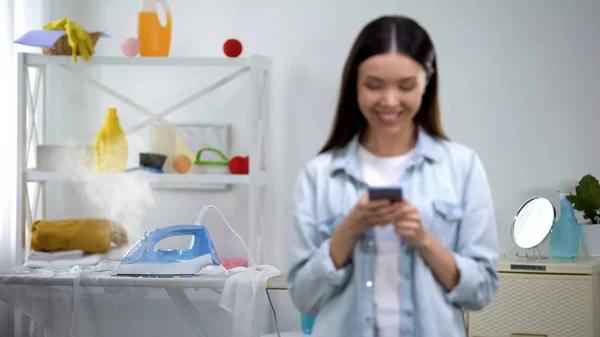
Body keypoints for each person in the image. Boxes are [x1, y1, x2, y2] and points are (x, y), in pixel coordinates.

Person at [287, 15, 499, 337]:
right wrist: (349, 230)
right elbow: (303, 298)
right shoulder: (320, 175)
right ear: (354, 84)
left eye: (406, 86)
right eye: (373, 85)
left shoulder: (462, 166)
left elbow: (482, 291)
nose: (389, 100)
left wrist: (425, 241)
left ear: (427, 82)